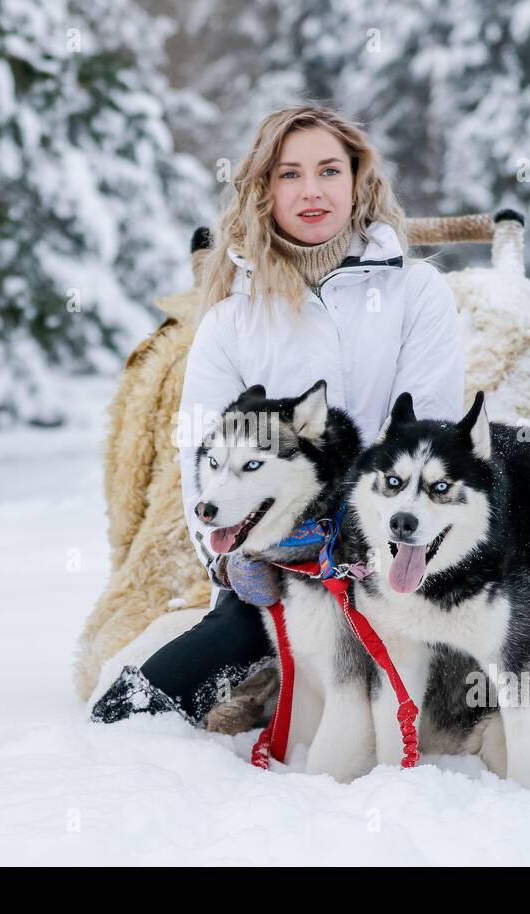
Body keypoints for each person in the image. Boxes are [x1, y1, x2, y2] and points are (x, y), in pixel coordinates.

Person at [91, 104, 464, 725]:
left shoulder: (416, 293)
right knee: (128, 713)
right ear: (264, 190)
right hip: (278, 560)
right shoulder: (232, 320)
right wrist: (230, 559)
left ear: (357, 181)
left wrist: (361, 547)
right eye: (290, 174)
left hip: (394, 549)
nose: (311, 191)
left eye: (328, 171)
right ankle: (138, 731)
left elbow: (424, 434)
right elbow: (201, 457)